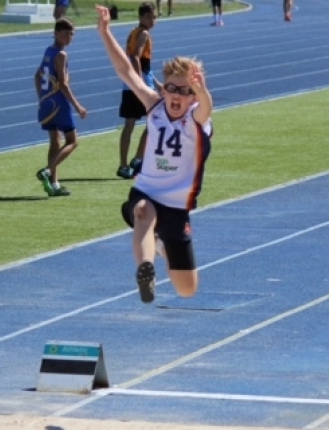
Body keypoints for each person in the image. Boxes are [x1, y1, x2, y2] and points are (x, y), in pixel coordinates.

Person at [96, 4, 214, 303]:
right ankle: (145, 268)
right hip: (147, 190)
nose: (176, 95)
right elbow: (125, 71)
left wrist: (200, 90)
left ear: (193, 96)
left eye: (184, 91)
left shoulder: (197, 121)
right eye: (172, 88)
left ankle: (161, 246)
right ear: (164, 89)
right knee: (142, 211)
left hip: (177, 204)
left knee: (187, 289)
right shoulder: (155, 106)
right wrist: (105, 32)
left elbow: (207, 105)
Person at [34, 18, 88, 197]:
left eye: (71, 34)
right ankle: (48, 171)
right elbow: (63, 84)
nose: (69, 37)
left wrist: (41, 97)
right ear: (56, 33)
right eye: (65, 33)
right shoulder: (62, 55)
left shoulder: (49, 51)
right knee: (73, 141)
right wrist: (78, 105)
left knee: (55, 141)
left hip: (47, 102)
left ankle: (54, 184)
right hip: (59, 103)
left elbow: (37, 75)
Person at [117, 2, 158, 179]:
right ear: (141, 17)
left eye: (154, 17)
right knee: (154, 121)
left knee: (130, 124)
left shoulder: (133, 32)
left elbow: (143, 64)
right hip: (138, 83)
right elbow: (136, 57)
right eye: (148, 16)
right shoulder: (143, 34)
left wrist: (156, 83)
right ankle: (137, 159)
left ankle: (125, 164)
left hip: (129, 82)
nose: (152, 20)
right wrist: (141, 83)